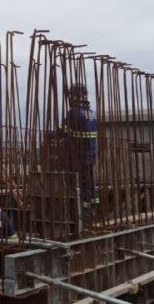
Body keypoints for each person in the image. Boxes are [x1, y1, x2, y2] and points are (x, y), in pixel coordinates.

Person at [63, 83, 99, 218]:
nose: (70, 98)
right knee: (90, 181)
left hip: (80, 154)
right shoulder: (92, 113)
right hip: (91, 154)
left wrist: (48, 134)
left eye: (71, 95)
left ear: (77, 95)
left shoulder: (74, 113)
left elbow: (63, 132)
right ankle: (94, 208)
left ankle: (86, 214)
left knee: (83, 183)